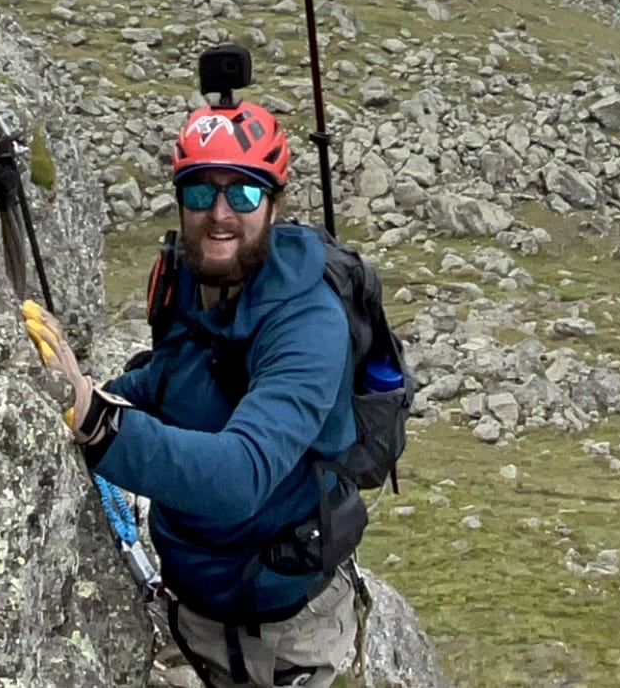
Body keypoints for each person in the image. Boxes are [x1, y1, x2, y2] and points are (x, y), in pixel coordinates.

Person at [28, 96, 367, 688]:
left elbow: (240, 477)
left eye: (243, 193)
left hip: (284, 631)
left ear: (275, 204)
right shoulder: (188, 279)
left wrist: (98, 419)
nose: (219, 214)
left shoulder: (308, 323)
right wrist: (97, 392)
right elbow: (172, 375)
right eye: (200, 192)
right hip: (197, 609)